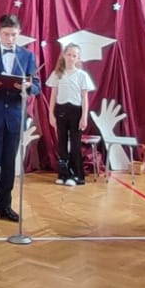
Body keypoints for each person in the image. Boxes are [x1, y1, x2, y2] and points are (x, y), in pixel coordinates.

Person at [0, 15, 39, 224]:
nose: (10, 38)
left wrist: (28, 87)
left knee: (9, 164)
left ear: (19, 34)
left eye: (14, 35)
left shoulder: (27, 56)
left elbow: (37, 85)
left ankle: (5, 206)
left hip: (14, 117)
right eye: (6, 34)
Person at [46, 43, 95, 187]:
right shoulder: (57, 74)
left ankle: (77, 175)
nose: (71, 58)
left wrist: (84, 117)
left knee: (75, 145)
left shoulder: (82, 75)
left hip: (76, 112)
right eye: (69, 55)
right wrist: (51, 115)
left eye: (74, 56)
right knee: (62, 144)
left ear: (78, 58)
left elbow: (84, 98)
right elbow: (53, 96)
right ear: (63, 55)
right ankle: (63, 174)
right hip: (61, 110)